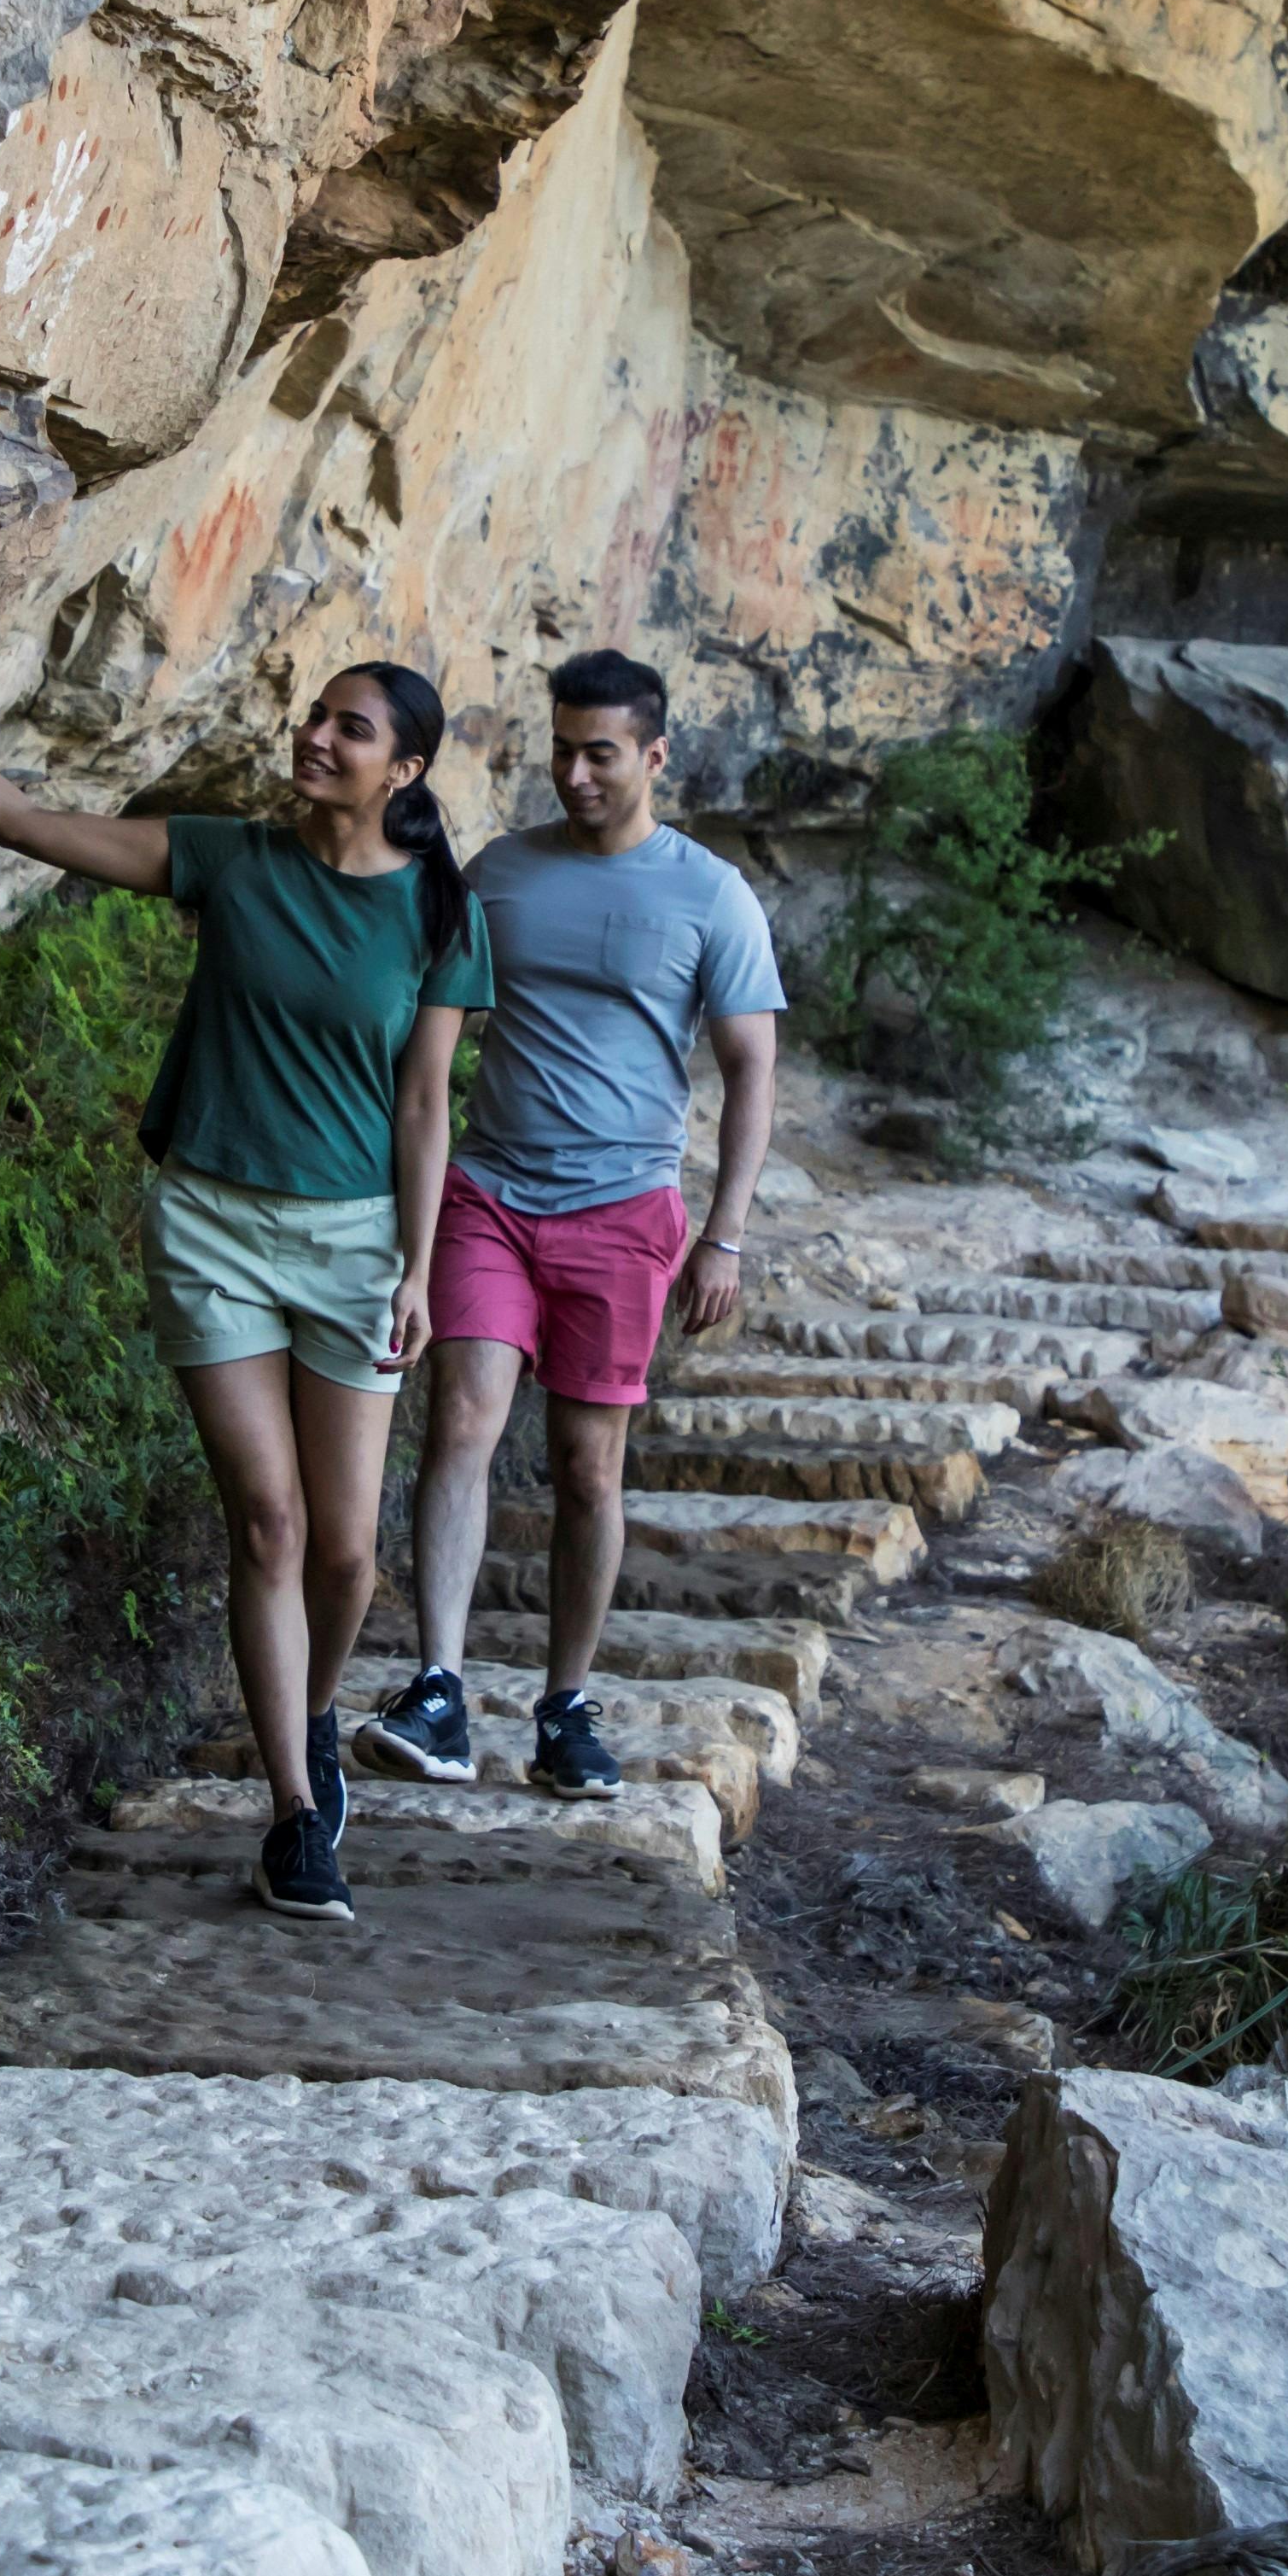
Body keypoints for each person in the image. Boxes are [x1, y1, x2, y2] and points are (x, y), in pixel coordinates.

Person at [0, 664, 488, 1925]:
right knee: (268, 1524)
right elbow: (18, 822)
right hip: (211, 1225)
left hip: (355, 1246)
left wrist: (419, 1266)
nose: (314, 736)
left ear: (405, 770)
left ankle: (311, 1713)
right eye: (314, 715)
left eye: (349, 728)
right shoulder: (230, 858)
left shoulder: (440, 910)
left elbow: (424, 1104)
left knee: (346, 1554)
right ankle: (294, 1812)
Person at [356, 648, 782, 1802]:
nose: (576, 774)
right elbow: (411, 995)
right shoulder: (502, 873)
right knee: (464, 1420)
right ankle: (440, 1687)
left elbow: (752, 1068)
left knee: (590, 1469)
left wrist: (726, 1234)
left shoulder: (711, 895)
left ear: (655, 754)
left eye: (601, 753)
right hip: (490, 1195)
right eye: (561, 750)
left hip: (625, 1212)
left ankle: (565, 1705)